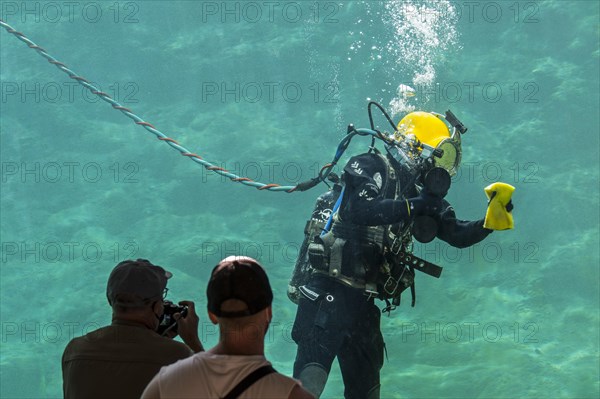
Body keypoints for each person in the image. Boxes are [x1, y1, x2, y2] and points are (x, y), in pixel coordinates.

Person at [288, 109, 515, 398]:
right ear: (417, 147)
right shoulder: (370, 165)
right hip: (327, 296)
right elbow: (358, 208)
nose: (440, 168)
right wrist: (413, 205)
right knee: (307, 387)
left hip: (364, 308)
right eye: (439, 156)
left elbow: (456, 234)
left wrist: (488, 223)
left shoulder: (422, 197)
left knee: (366, 394)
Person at [142, 256, 314, 399]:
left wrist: (193, 344)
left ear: (212, 315)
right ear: (269, 313)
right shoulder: (292, 395)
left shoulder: (165, 384)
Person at [62, 258, 204, 399]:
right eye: (162, 297)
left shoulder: (74, 351)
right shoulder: (178, 357)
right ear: (156, 306)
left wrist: (157, 340)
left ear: (109, 300)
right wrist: (193, 342)